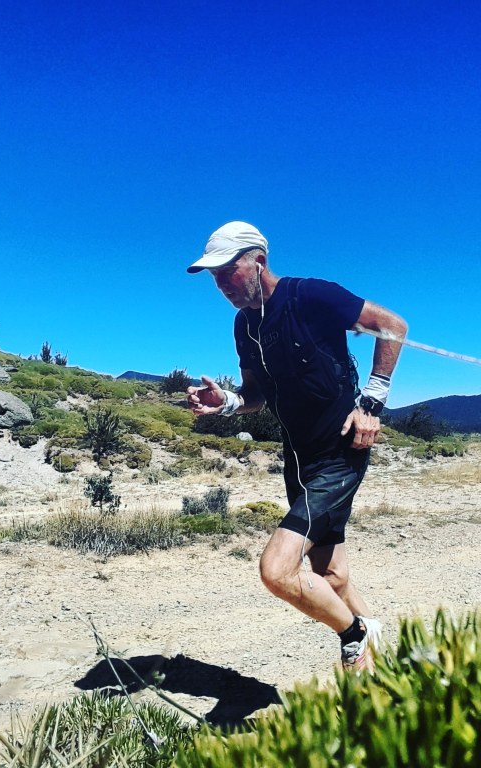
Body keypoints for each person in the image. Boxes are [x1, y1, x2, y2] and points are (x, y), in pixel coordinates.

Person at [186, 221, 408, 673]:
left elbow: (391, 326)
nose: (221, 284)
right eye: (215, 277)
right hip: (298, 459)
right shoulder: (244, 325)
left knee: (277, 570)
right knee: (333, 577)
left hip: (340, 452)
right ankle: (396, 676)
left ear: (257, 261)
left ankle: (356, 636)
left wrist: (371, 403)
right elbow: (256, 396)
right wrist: (225, 402)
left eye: (227, 271)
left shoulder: (310, 295)